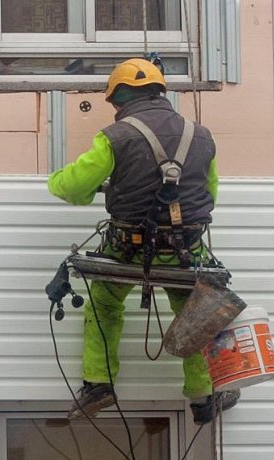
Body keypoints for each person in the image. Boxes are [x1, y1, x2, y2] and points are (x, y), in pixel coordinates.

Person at [47, 57, 238, 424]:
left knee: (103, 303)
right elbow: (209, 194)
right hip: (186, 250)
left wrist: (59, 182)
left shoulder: (114, 137)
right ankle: (202, 397)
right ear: (160, 93)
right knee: (194, 311)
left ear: (119, 99)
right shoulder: (202, 136)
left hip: (127, 248)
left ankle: (98, 383)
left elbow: (73, 187)